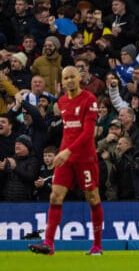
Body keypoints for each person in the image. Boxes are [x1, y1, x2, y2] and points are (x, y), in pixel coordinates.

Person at [29, 66, 104, 256]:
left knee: (93, 198)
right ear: (62, 81)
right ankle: (48, 243)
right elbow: (68, 131)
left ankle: (97, 246)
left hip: (85, 157)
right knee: (55, 196)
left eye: (72, 77)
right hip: (66, 157)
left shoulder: (90, 99)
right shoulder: (61, 102)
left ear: (79, 78)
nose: (70, 80)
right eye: (66, 78)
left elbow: (88, 134)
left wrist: (67, 151)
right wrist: (63, 152)